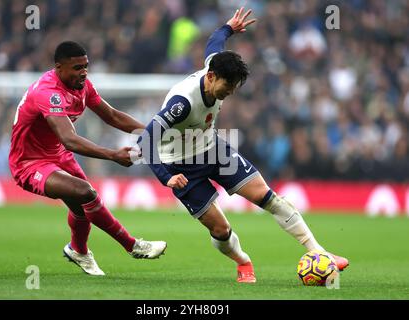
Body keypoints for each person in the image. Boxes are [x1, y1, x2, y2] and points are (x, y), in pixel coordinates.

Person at [138, 7, 348, 283]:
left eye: (235, 87)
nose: (230, 92)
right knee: (221, 229)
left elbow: (215, 43)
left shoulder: (216, 66)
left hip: (212, 149)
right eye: (228, 86)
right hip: (181, 167)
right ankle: (243, 261)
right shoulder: (183, 103)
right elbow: (146, 139)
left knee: (268, 197)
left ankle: (320, 252)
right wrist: (166, 177)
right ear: (211, 77)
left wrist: (228, 27)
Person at [8, 41, 167, 276]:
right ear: (59, 67)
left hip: (58, 156)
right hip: (29, 163)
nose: (83, 72)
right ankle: (132, 245)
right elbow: (69, 139)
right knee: (85, 192)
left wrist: (153, 133)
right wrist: (112, 155)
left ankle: (78, 251)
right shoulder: (47, 93)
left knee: (81, 207)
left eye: (86, 66)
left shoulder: (82, 85)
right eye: (76, 68)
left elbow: (112, 115)